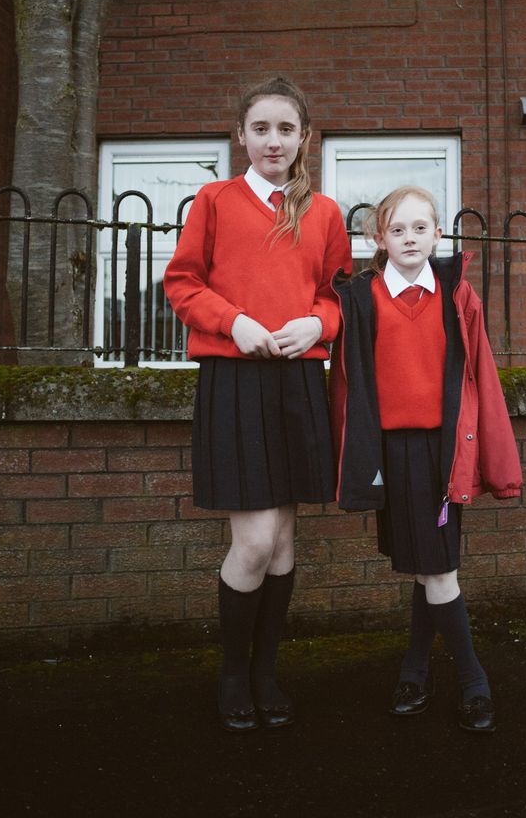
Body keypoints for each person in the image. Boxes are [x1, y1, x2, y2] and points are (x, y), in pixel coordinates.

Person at [164, 77, 352, 733]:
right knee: (254, 542)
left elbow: (337, 297)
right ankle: (231, 673)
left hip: (299, 381)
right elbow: (181, 282)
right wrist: (233, 322)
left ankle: (266, 672)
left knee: (284, 542)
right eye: (261, 128)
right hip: (234, 378)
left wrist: (318, 326)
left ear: (304, 138)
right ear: (241, 136)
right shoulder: (213, 201)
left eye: (286, 129)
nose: (274, 140)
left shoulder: (324, 213)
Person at [330, 186, 522, 733]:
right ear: (378, 239)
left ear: (439, 234)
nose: (410, 238)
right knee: (424, 566)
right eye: (397, 229)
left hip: (443, 453)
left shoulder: (456, 293)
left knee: (437, 569)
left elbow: (480, 373)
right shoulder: (360, 298)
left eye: (420, 228)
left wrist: (494, 454)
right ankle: (414, 671)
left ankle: (473, 682)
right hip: (389, 453)